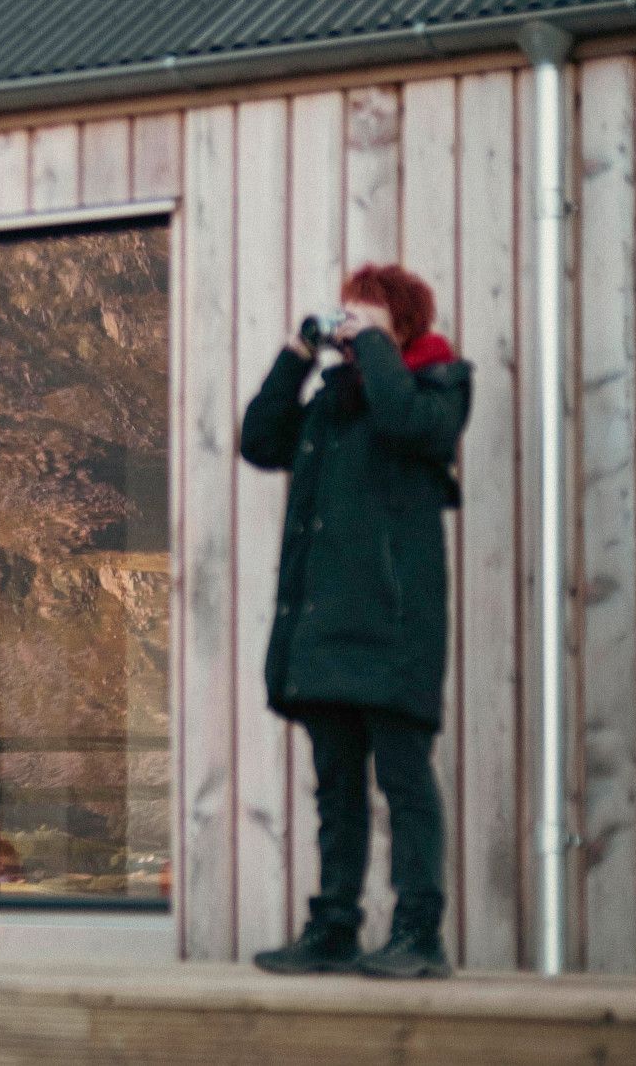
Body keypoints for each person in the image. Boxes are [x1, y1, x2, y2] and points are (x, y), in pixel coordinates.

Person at [239, 263, 472, 979]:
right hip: (326, 631)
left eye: (365, 318)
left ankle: (418, 934)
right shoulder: (329, 407)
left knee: (405, 783)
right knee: (336, 789)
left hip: (396, 628)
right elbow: (259, 439)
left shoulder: (441, 384)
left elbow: (408, 421)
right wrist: (297, 353)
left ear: (400, 326)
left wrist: (372, 344)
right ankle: (333, 927)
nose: (350, 329)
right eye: (346, 318)